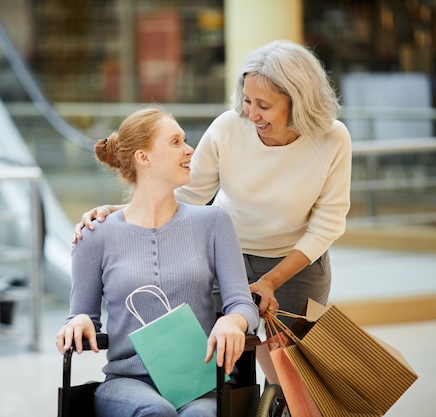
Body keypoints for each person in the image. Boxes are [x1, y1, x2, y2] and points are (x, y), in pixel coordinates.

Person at [74, 40, 352, 326]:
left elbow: (327, 224)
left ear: (298, 103)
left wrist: (271, 280)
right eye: (247, 100)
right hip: (227, 258)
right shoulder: (228, 127)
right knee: (227, 360)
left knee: (291, 367)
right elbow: (190, 194)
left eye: (264, 106)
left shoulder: (333, 139)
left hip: (299, 266)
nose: (252, 114)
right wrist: (120, 212)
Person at [56, 106, 259, 417]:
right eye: (176, 142)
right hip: (127, 382)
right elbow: (81, 316)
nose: (190, 149)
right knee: (155, 411)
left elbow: (242, 304)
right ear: (144, 158)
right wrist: (80, 321)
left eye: (185, 140)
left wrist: (233, 320)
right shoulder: (95, 236)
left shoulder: (214, 222)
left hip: (199, 383)